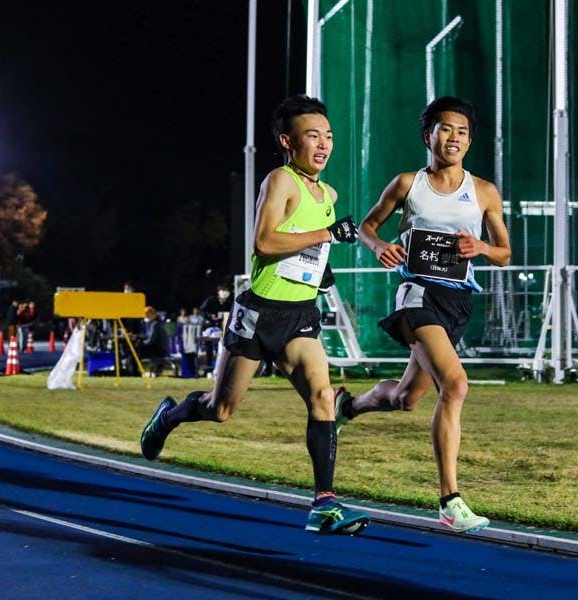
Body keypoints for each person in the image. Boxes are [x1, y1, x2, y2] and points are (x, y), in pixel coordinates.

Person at [141, 94, 368, 535]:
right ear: (288, 141)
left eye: (329, 137)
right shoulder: (280, 181)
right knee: (221, 409)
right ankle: (168, 416)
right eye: (312, 136)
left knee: (323, 398)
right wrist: (327, 233)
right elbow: (264, 243)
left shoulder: (330, 193)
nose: (323, 145)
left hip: (299, 314)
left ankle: (324, 504)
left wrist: (322, 271)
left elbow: (308, 246)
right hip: (259, 313)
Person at [334, 96, 511, 534]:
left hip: (457, 302)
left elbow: (505, 252)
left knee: (406, 399)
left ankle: (349, 407)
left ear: (470, 141)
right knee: (456, 384)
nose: (453, 138)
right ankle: (450, 501)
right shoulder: (407, 184)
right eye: (445, 129)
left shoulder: (484, 191)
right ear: (428, 135)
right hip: (417, 294)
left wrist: (482, 248)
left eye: (462, 131)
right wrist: (379, 247)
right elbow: (367, 227)